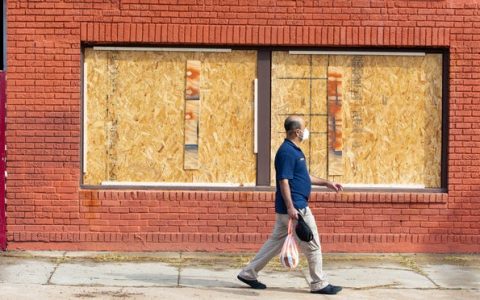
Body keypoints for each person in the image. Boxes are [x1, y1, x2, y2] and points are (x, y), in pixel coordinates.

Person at [237, 115, 344, 295]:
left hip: (290, 208)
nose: (306, 131)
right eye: (305, 127)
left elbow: (305, 176)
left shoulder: (294, 151)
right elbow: (283, 181)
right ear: (297, 131)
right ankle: (319, 283)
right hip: (296, 208)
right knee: (312, 244)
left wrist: (327, 183)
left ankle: (248, 273)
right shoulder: (286, 152)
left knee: (274, 243)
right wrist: (291, 208)